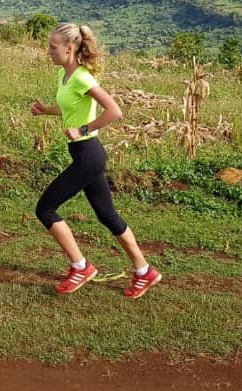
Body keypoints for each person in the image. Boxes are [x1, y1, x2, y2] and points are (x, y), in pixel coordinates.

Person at [29, 22, 162, 299]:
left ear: (69, 48)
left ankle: (81, 266)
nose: (48, 51)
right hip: (84, 154)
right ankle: (144, 271)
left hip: (88, 155)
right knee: (107, 215)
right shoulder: (64, 77)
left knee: (46, 209)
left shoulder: (82, 77)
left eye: (53, 47)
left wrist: (84, 129)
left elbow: (114, 110)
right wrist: (47, 111)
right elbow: (70, 108)